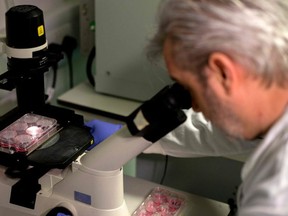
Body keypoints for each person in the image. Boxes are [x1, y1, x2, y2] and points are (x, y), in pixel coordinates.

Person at [86, 0, 288, 215]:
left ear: (223, 71)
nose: (196, 107)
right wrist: (131, 138)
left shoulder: (276, 195)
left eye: (191, 89)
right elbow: (218, 130)